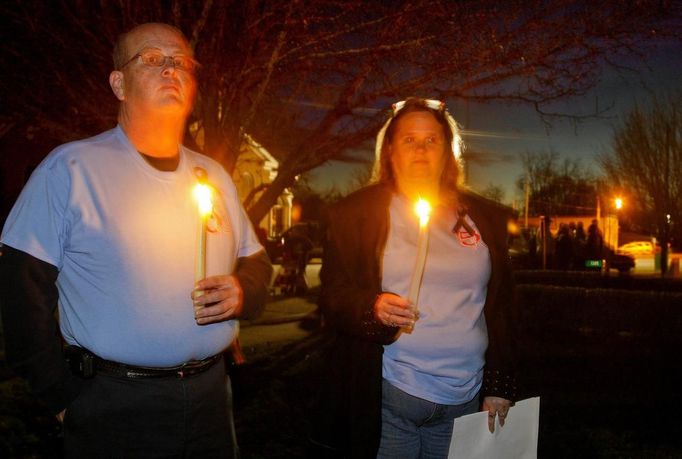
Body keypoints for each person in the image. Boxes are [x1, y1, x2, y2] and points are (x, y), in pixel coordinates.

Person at [0, 23, 272, 457]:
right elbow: (21, 290)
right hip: (114, 405)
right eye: (152, 59)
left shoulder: (215, 176)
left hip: (211, 400)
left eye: (181, 62)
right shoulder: (71, 169)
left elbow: (257, 263)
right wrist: (59, 394)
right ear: (118, 83)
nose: (171, 70)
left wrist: (244, 289)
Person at [309, 98, 517, 458]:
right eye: (409, 139)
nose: (421, 149)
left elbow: (502, 309)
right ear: (390, 150)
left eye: (431, 140)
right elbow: (333, 296)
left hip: (466, 399)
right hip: (392, 397)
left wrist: (499, 383)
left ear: (448, 152)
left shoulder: (483, 218)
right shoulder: (356, 215)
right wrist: (371, 308)